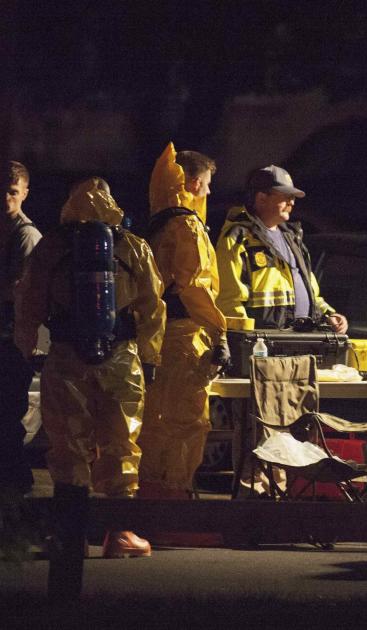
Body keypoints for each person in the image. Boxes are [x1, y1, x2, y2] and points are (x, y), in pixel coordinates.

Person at [15, 178, 165, 558]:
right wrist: (150, 357)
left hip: (67, 356)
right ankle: (121, 534)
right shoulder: (132, 246)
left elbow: (28, 302)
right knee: (122, 441)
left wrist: (28, 347)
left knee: (69, 445)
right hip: (122, 356)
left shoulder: (53, 247)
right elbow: (152, 306)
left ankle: (70, 536)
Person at [138, 144, 230, 501]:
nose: (208, 192)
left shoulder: (157, 221)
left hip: (157, 335)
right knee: (187, 422)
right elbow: (196, 286)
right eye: (206, 184)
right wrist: (218, 331)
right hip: (183, 337)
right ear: (192, 184)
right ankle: (174, 502)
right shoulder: (186, 226)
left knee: (153, 420)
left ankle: (146, 501)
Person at [215, 165, 346, 333]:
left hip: (298, 340)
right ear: (262, 198)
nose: (292, 202)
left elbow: (311, 293)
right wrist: (245, 338)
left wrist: (329, 315)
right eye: (285, 197)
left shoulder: (292, 237)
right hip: (262, 344)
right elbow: (228, 298)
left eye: (293, 197)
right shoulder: (238, 237)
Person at [0, 161, 41, 497]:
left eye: (13, 193)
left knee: (9, 412)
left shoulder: (24, 236)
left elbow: (18, 291)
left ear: (24, 194)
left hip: (13, 337)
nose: (7, 199)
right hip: (10, 335)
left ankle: (16, 486)